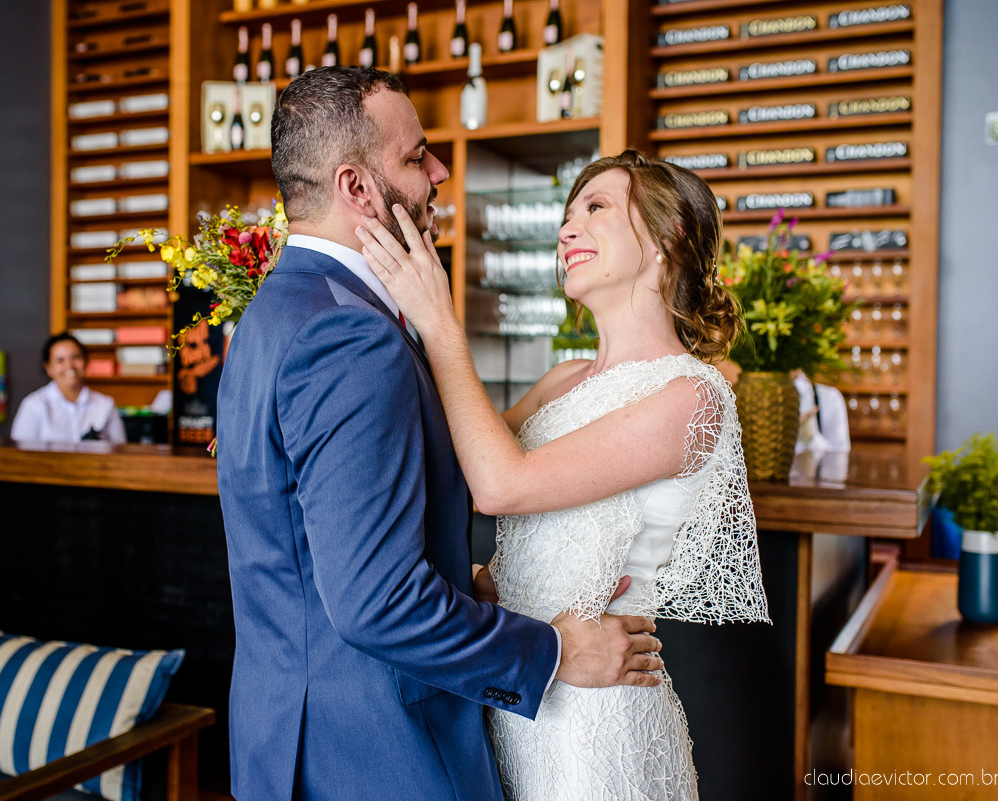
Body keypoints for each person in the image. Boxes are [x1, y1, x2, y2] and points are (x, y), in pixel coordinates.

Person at [214, 68, 666, 801]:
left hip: (291, 733)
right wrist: (551, 652)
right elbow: (376, 601)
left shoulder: (274, 312)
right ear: (356, 188)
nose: (439, 172)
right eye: (416, 156)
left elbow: (317, 549)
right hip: (374, 750)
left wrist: (471, 576)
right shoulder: (349, 336)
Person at [357, 150, 771, 799]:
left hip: (593, 720)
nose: (567, 228)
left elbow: (503, 484)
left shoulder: (692, 395)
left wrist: (439, 322)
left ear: (670, 236)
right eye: (568, 212)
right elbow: (460, 467)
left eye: (596, 207)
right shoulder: (562, 379)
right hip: (518, 690)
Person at [10, 332, 126, 444]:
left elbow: (119, 452)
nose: (69, 365)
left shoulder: (106, 405)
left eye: (75, 357)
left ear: (85, 362)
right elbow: (20, 455)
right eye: (60, 360)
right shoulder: (34, 405)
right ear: (48, 367)